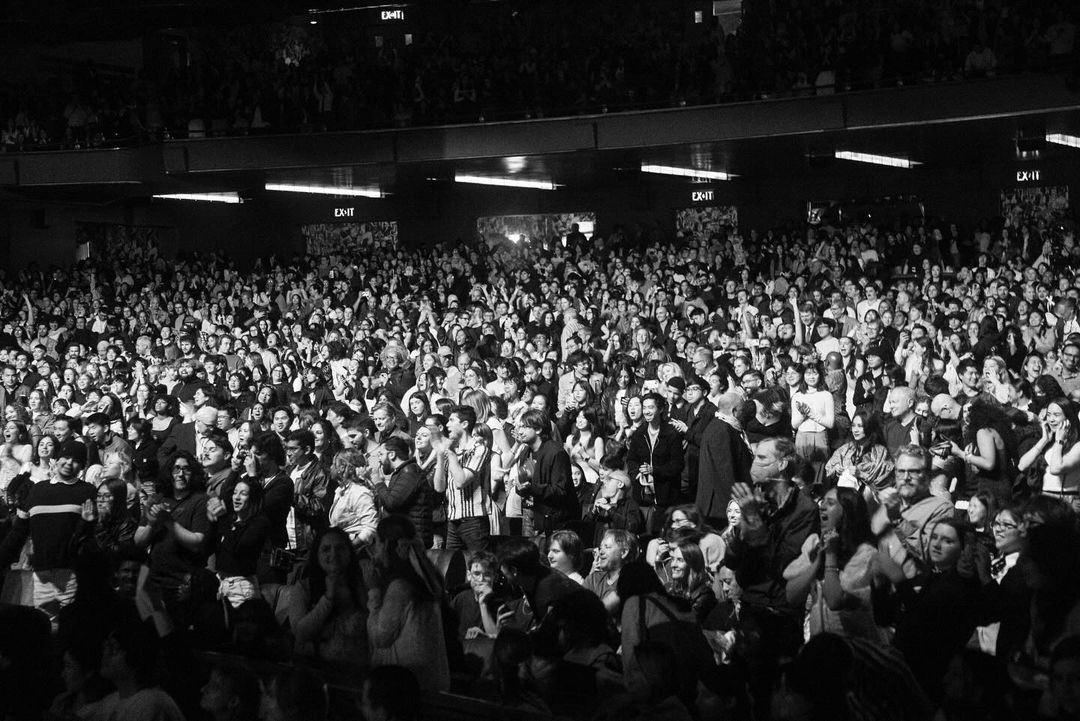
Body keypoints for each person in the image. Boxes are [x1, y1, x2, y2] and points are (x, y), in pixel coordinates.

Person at [726, 436, 819, 716]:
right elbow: (732, 558)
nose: (755, 464)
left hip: (781, 611)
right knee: (742, 690)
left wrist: (754, 523)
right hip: (751, 603)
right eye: (755, 457)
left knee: (774, 693)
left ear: (783, 464)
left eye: (762, 459)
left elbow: (783, 565)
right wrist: (745, 525)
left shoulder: (804, 508)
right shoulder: (754, 498)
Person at [0, 440, 94, 613]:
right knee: (44, 624)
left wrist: (87, 523)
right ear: (56, 459)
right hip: (42, 573)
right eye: (65, 457)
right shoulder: (38, 490)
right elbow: (19, 532)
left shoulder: (87, 491)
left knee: (67, 626)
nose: (68, 463)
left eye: (75, 460)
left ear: (81, 466)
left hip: (71, 573)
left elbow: (90, 535)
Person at [783, 487, 886, 642]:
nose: (822, 506)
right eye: (822, 501)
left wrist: (830, 555)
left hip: (855, 650)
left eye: (830, 502)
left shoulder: (866, 554)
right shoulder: (816, 543)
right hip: (821, 646)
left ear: (847, 512)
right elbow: (791, 595)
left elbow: (834, 601)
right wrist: (818, 560)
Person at [367, 515, 450, 691]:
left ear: (388, 545)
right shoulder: (425, 578)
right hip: (432, 679)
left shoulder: (400, 587)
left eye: (377, 542)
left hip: (409, 683)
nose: (374, 548)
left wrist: (373, 592)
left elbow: (379, 637)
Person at [874, 444, 956, 577]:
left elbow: (927, 551)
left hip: (915, 590)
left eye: (913, 471)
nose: (906, 477)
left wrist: (898, 520)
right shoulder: (888, 504)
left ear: (928, 475)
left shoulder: (942, 508)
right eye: (901, 471)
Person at [512, 408, 579, 539]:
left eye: (525, 427)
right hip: (530, 514)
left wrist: (532, 488)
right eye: (519, 427)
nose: (520, 431)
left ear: (538, 429)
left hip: (552, 519)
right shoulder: (525, 452)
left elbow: (560, 491)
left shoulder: (556, 452)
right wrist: (520, 488)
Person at [626, 392, 684, 536]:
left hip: (665, 497)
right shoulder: (639, 434)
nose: (646, 411)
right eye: (644, 407)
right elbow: (631, 460)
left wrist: (654, 470)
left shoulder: (671, 434)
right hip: (642, 496)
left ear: (661, 409)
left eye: (651, 407)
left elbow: (677, 465)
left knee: (660, 536)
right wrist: (637, 474)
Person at [695, 391, 752, 527]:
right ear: (734, 411)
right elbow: (725, 473)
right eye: (742, 410)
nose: (744, 414)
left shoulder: (723, 427)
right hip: (719, 509)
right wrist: (736, 507)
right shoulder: (721, 431)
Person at [371, 436, 436, 548]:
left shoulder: (409, 472)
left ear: (392, 454)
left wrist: (377, 481)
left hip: (413, 542)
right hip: (405, 540)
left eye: (381, 454)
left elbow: (392, 503)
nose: (379, 460)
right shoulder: (403, 472)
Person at [327, 448, 379, 550]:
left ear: (343, 467)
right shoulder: (341, 491)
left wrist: (350, 548)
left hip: (358, 552)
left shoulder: (359, 492)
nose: (331, 467)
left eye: (334, 464)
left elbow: (370, 528)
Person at [583, 528, 639, 616]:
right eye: (601, 547)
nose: (601, 552)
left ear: (623, 552)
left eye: (607, 547)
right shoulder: (593, 579)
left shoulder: (632, 584)